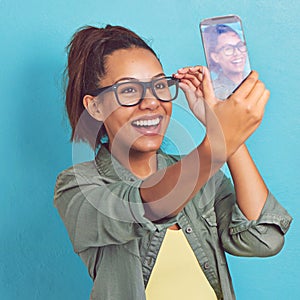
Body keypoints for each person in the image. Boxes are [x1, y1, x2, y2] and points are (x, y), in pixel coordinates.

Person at [54, 24, 292, 300]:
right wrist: (219, 141)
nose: (151, 102)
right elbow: (147, 206)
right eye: (129, 90)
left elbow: (263, 238)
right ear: (95, 107)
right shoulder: (79, 186)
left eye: (158, 86)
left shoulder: (204, 176)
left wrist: (221, 128)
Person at [203, 24, 250, 99]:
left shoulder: (254, 81)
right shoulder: (212, 92)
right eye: (228, 49)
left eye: (240, 45)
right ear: (215, 57)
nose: (237, 53)